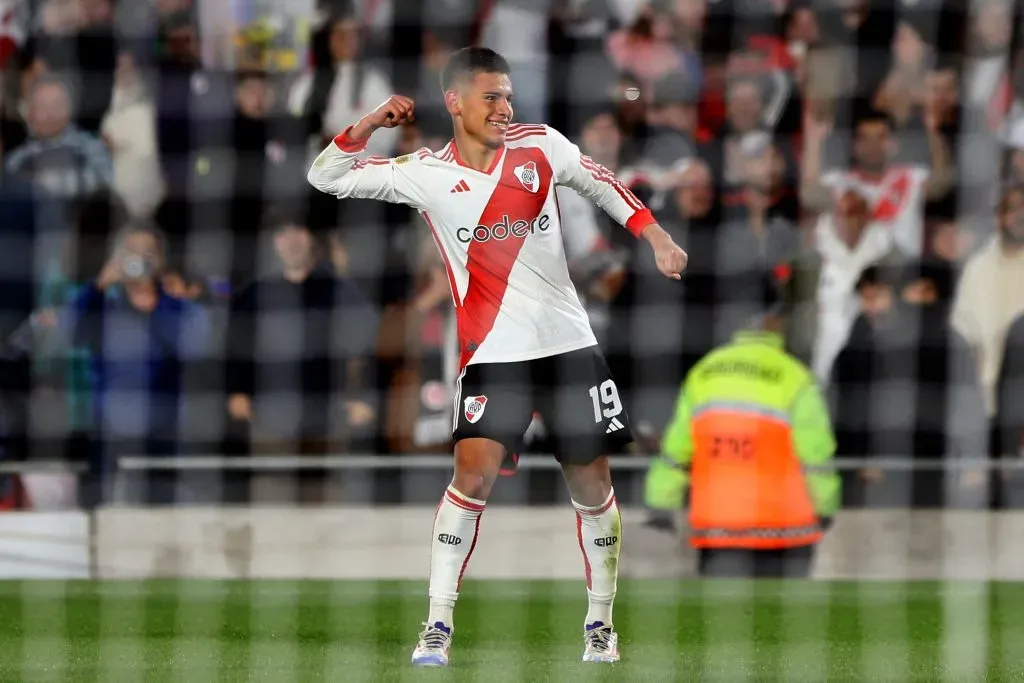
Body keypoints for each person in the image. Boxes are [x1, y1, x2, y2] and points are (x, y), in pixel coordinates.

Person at [307, 46, 687, 666]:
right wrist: (372, 122)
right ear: (455, 102)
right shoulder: (425, 171)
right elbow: (326, 176)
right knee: (470, 478)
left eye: (508, 95)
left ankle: (599, 624)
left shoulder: (541, 145)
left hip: (568, 345)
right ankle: (436, 624)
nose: (505, 107)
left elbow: (602, 183)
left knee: (594, 489)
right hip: (493, 355)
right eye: (492, 96)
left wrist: (656, 235)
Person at [643, 276, 840, 578]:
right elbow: (815, 454)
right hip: (785, 529)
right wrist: (825, 506)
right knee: (786, 624)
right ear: (774, 318)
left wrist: (660, 502)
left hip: (720, 529)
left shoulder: (704, 373)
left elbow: (676, 449)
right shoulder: (795, 376)